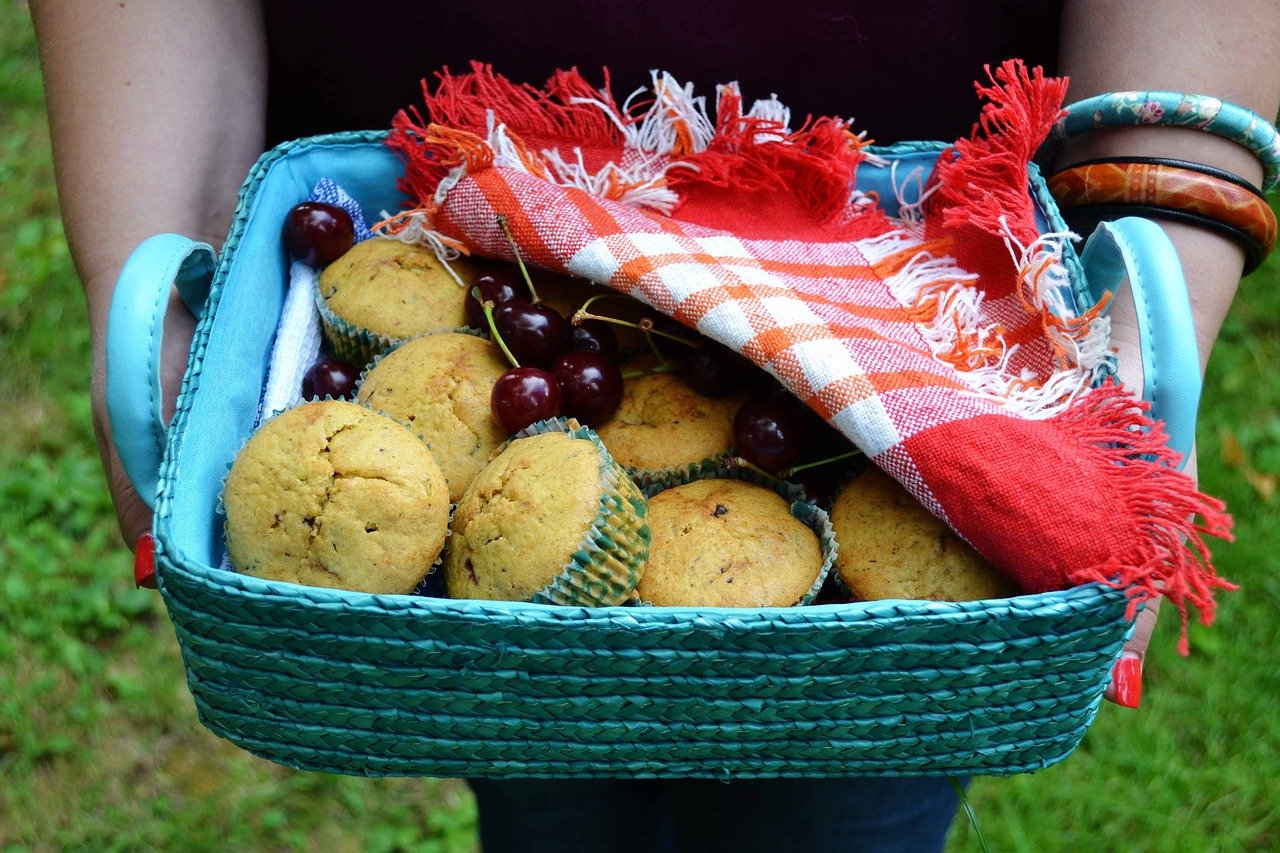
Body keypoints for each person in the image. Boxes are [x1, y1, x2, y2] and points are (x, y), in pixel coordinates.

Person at [29, 1, 1280, 850]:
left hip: (925, 276)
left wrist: (1151, 271)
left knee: (859, 793)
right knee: (532, 769)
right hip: (455, 196)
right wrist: (162, 264)